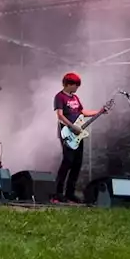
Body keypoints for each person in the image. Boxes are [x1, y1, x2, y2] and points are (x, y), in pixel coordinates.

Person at [53, 72, 106, 203]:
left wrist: (99, 112)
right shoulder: (59, 97)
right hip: (67, 132)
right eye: (75, 85)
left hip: (78, 134)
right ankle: (58, 193)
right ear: (68, 84)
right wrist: (72, 127)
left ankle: (70, 193)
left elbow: (82, 112)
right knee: (67, 162)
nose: (77, 88)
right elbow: (60, 115)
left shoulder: (75, 98)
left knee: (77, 164)